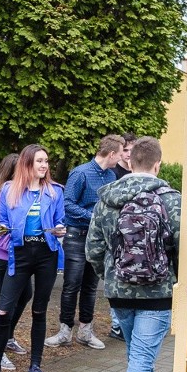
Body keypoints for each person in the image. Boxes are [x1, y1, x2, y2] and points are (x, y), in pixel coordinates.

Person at [86, 137, 181, 372]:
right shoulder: (171, 199)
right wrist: (175, 279)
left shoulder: (108, 199)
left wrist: (111, 276)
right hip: (157, 292)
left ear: (129, 162)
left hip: (119, 292)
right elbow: (183, 247)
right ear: (157, 164)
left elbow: (94, 248)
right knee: (141, 355)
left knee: (137, 354)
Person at [0, 144, 66, 372]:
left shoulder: (55, 192)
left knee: (39, 310)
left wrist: (60, 230)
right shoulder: (9, 190)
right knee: (4, 308)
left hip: (46, 255)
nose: (44, 165)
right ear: (27, 164)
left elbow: (60, 221)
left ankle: (35, 367)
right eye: (39, 161)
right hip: (19, 254)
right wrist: (6, 232)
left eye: (46, 161)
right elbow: (5, 223)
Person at [45, 134, 125, 350]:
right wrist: (94, 217)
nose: (121, 158)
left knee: (91, 287)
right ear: (110, 154)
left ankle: (85, 332)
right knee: (71, 285)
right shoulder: (81, 173)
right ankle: (64, 331)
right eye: (119, 154)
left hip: (99, 239)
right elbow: (68, 204)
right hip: (77, 237)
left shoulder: (111, 176)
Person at [0, 153, 33, 370]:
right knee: (7, 302)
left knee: (25, 294)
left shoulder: (4, 189)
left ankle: (7, 336)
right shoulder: (3, 193)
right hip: (2, 252)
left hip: (7, 251)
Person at [110, 132, 138, 341]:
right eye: (125, 150)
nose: (128, 154)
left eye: (131, 150)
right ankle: (116, 325)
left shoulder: (140, 172)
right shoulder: (113, 174)